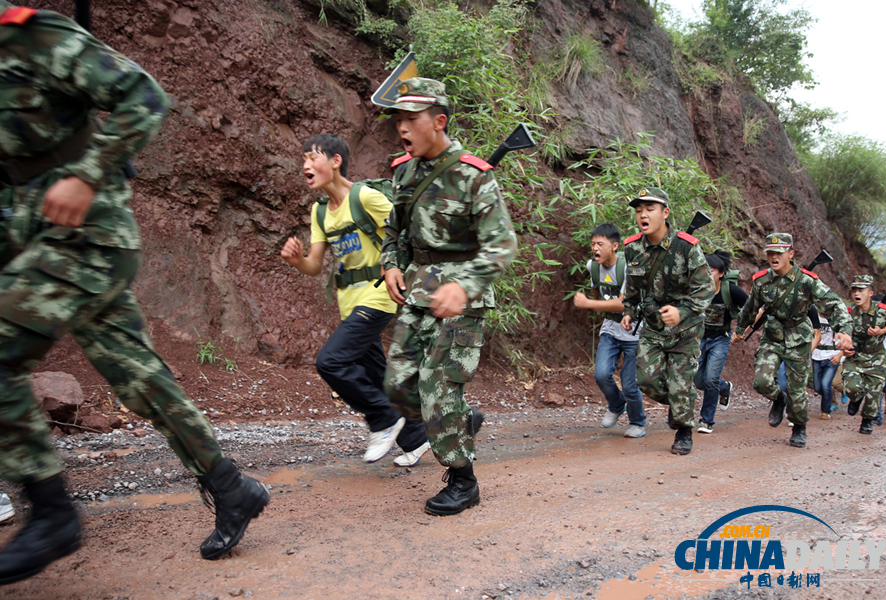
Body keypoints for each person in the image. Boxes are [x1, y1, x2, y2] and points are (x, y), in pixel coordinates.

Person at [0, 4, 268, 584]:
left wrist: (87, 172)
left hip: (87, 236)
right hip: (37, 239)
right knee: (140, 377)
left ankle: (50, 514)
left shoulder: (32, 36)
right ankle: (231, 487)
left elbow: (143, 96)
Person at [380, 77, 517, 515]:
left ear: (438, 122)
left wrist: (465, 285)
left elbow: (502, 243)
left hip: (462, 298)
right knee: (399, 386)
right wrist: (391, 264)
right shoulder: (404, 171)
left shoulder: (473, 175)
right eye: (398, 119)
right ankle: (459, 419)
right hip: (420, 290)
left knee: (437, 387)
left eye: (411, 118)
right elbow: (394, 231)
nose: (402, 127)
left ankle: (463, 481)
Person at [280, 134, 430, 467]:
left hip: (378, 295)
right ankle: (418, 437)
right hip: (349, 304)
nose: (305, 165)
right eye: (303, 159)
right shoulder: (320, 212)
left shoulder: (365, 197)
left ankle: (382, 420)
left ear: (335, 161)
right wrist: (296, 260)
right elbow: (315, 265)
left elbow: (405, 231)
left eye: (313, 157)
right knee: (379, 378)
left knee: (330, 362)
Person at [733, 234, 852, 448]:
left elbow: (833, 304)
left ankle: (799, 426)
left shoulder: (807, 280)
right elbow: (750, 308)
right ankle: (778, 399)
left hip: (798, 339)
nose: (774, 257)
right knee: (761, 381)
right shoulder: (762, 281)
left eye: (779, 252)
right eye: (770, 253)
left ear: (791, 254)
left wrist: (844, 330)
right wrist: (740, 330)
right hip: (772, 338)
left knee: (797, 389)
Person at [620, 187, 715, 455]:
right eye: (639, 210)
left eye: (650, 209)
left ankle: (684, 431)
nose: (643, 214)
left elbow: (706, 289)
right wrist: (628, 311)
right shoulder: (632, 247)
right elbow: (633, 288)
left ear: (665, 213)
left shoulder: (687, 246)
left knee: (680, 381)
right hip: (652, 324)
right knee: (645, 379)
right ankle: (679, 402)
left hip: (686, 329)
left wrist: (682, 312)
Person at [573, 223, 645, 438]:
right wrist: (595, 303)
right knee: (602, 374)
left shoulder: (627, 267)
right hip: (611, 329)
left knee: (630, 383)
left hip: (635, 331)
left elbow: (623, 304)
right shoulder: (592, 266)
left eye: (600, 244)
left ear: (614, 246)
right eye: (593, 243)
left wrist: (588, 304)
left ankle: (637, 423)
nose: (595, 248)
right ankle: (616, 404)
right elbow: (598, 289)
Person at [693, 250, 748, 434]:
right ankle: (724, 387)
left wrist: (742, 331)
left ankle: (706, 421)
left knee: (710, 379)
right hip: (700, 338)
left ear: (721, 273)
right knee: (699, 381)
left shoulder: (730, 290)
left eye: (712, 270)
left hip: (721, 339)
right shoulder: (698, 289)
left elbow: (752, 309)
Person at [842, 276, 886, 434]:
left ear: (871, 293)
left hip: (877, 358)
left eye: (861, 290)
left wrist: (881, 331)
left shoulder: (883, 311)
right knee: (851, 388)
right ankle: (855, 398)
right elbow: (841, 332)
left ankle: (867, 421)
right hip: (855, 357)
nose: (856, 293)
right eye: (854, 290)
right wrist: (844, 347)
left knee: (873, 393)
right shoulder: (848, 313)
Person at [810, 311, 841, 419]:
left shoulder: (837, 317)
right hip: (817, 355)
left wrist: (840, 355)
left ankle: (825, 411)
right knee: (817, 386)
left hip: (832, 356)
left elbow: (847, 338)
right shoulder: (813, 315)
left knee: (825, 384)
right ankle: (829, 395)